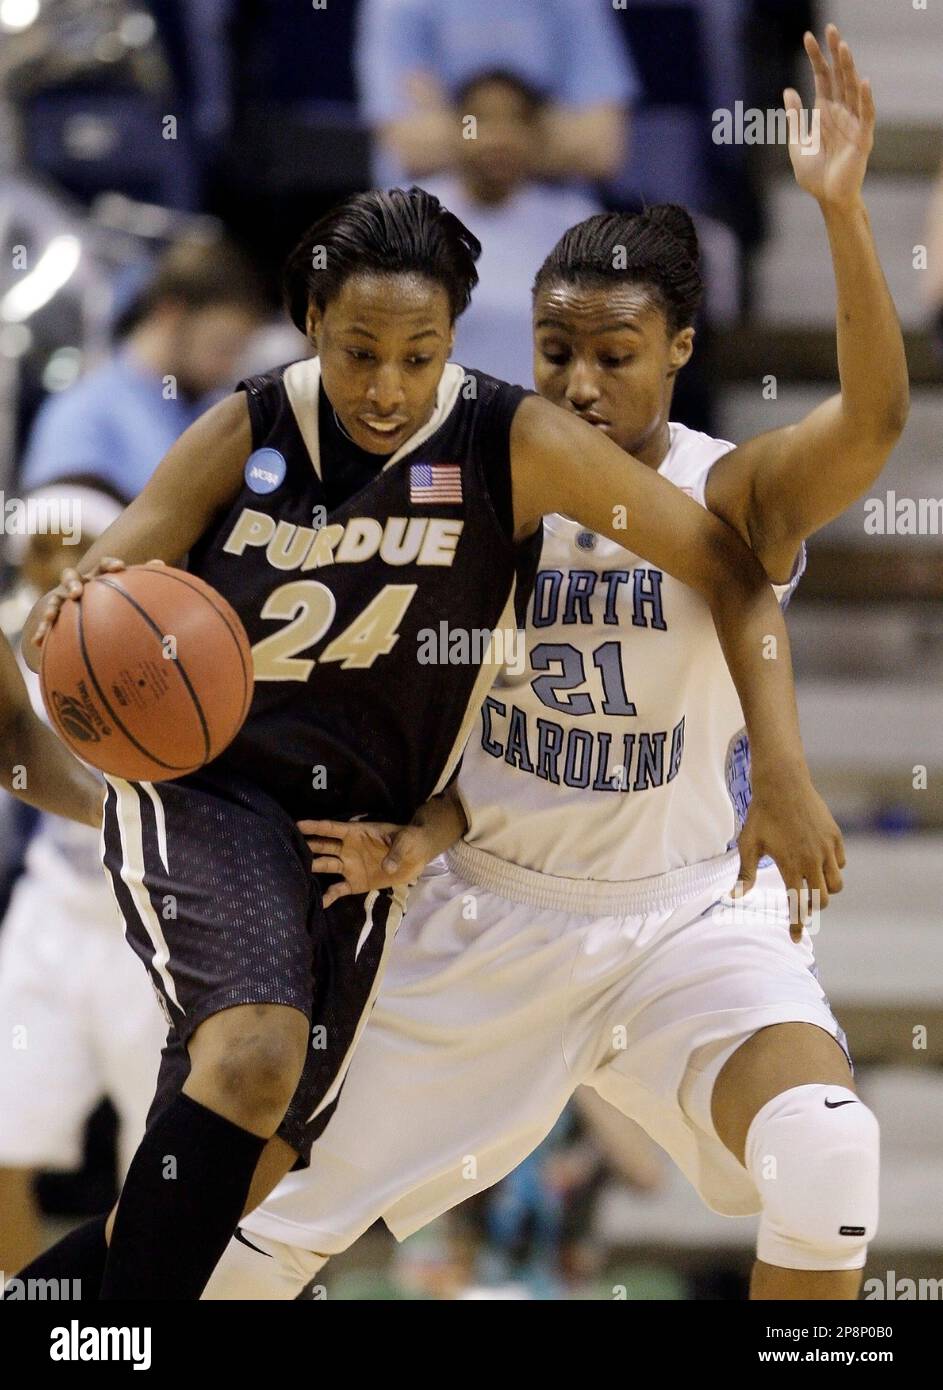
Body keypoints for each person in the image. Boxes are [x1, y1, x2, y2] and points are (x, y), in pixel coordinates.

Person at [19, 183, 837, 1302]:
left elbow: (728, 568)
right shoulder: (247, 427)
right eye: (358, 351)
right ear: (311, 328)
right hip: (214, 788)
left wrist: (780, 772)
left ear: (457, 342)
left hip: (352, 836)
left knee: (241, 1181)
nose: (387, 388)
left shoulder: (513, 440)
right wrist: (76, 605)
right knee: (255, 1064)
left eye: (420, 355)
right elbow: (89, 597)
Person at [206, 27, 909, 1302]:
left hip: (686, 917)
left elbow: (871, 425)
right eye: (554, 353)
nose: (578, 385)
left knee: (826, 1146)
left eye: (614, 357)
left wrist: (843, 215)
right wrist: (407, 834)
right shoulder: (471, 478)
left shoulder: (727, 489)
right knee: (247, 1244)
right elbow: (445, 727)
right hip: (485, 909)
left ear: (680, 351)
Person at [0, 485, 165, 1274]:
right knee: (3, 1136)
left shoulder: (171, 643)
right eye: (42, 549)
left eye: (79, 543)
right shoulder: (14, 651)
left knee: (167, 1166)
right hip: (54, 919)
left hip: (157, 933)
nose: (61, 563)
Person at [20, 237, 268, 502]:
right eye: (221, 346)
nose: (229, 367)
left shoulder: (215, 408)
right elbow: (55, 535)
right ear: (171, 315)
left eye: (238, 353)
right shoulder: (83, 414)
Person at [421, 69, 600, 387]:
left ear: (537, 135)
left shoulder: (577, 225)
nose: (498, 138)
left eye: (516, 121)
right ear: (455, 126)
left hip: (549, 422)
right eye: (480, 121)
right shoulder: (412, 215)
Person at [355, 0, 638, 187]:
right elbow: (411, 148)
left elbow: (601, 150)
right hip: (423, 226)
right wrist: (541, 126)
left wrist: (456, 124)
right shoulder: (398, 6)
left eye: (516, 119)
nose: (499, 141)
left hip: (552, 229)